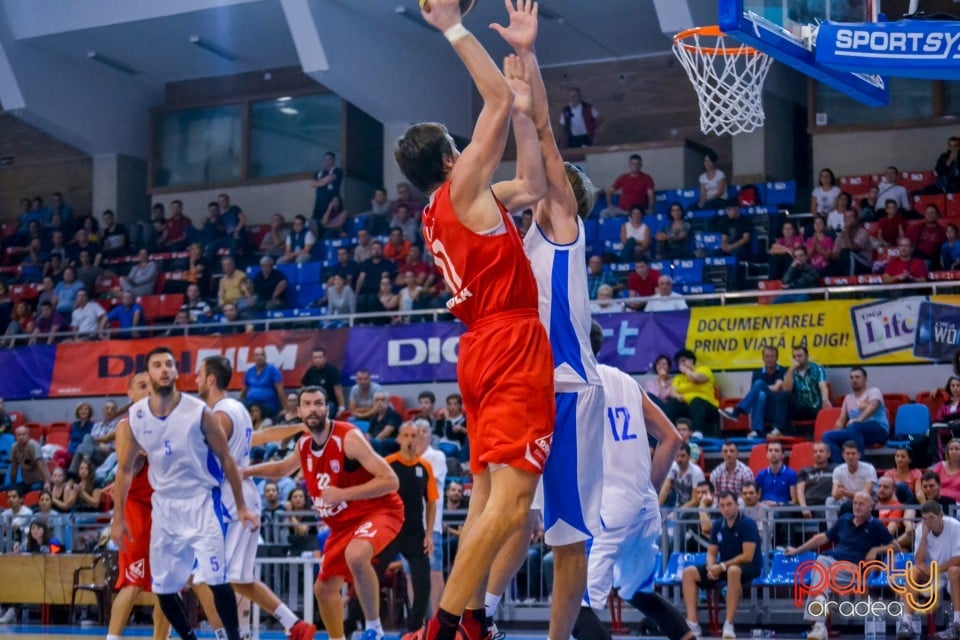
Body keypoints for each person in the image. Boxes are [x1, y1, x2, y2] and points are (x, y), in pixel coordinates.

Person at [395, 5, 559, 640]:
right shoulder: (462, 185)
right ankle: (443, 627)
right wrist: (456, 30)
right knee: (512, 504)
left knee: (494, 502)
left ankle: (466, 622)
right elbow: (490, 94)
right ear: (448, 160)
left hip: (482, 346)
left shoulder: (453, 206)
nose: (468, 150)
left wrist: (523, 114)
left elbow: (536, 183)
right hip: (509, 338)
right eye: (459, 148)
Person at [110, 347, 257, 640]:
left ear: (177, 373)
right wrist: (117, 517)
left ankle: (234, 637)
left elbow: (227, 459)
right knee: (162, 589)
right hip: (163, 507)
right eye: (157, 365)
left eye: (169, 364)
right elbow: (124, 470)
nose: (164, 370)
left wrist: (240, 506)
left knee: (216, 581)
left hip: (201, 502)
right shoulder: (135, 417)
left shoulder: (198, 412)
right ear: (149, 373)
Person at [246, 386, 403, 640]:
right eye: (307, 404)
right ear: (298, 411)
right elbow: (284, 468)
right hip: (343, 524)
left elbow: (390, 480)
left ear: (327, 408)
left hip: (379, 510)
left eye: (318, 403)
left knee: (356, 555)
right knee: (324, 589)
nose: (313, 409)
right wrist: (247, 472)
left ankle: (375, 629)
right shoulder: (305, 443)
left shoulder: (348, 437)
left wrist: (343, 494)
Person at [571, 323, 690, 640]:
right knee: (636, 590)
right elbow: (672, 438)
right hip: (644, 505)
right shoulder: (625, 381)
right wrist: (645, 489)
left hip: (609, 508)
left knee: (572, 608)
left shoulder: (573, 384)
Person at [194, 356, 316, 640]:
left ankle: (229, 635)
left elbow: (204, 454)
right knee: (237, 577)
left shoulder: (219, 415)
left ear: (211, 379)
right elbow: (260, 438)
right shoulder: (238, 410)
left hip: (231, 499)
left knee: (204, 577)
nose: (195, 380)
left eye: (199, 374)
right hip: (241, 496)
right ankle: (289, 626)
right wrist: (295, 428)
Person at [105, 372, 172, 640]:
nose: (148, 390)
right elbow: (128, 469)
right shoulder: (127, 426)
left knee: (167, 586)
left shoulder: (169, 424)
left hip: (165, 509)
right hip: (136, 509)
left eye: (151, 386)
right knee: (132, 584)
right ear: (130, 394)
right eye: (141, 386)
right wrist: (117, 519)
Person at [786, 491, 896, 640]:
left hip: (854, 569)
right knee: (822, 563)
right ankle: (819, 624)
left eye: (861, 504)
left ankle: (818, 623)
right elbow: (822, 537)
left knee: (820, 571)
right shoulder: (844, 519)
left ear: (871, 507)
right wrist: (797, 550)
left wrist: (876, 549)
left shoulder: (876, 525)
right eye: (855, 503)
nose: (857, 506)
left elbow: (895, 546)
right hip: (833, 564)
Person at [382, 423, 440, 633]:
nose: (409, 439)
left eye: (413, 435)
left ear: (419, 438)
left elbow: (432, 502)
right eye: (405, 435)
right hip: (390, 531)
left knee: (423, 582)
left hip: (415, 532)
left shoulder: (424, 467)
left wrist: (429, 534)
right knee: (371, 573)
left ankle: (414, 628)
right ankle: (356, 623)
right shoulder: (388, 464)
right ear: (398, 438)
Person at [680, 491, 761, 639]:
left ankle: (728, 625)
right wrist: (711, 566)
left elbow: (747, 556)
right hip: (725, 565)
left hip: (749, 566)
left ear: (737, 505)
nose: (726, 509)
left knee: (733, 571)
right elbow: (711, 552)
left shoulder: (748, 523)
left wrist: (722, 566)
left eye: (729, 504)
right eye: (722, 505)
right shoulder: (717, 525)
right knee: (689, 572)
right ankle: (692, 624)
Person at [896, 501, 960, 640]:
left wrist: (933, 570)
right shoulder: (922, 530)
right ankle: (906, 623)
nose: (928, 522)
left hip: (952, 570)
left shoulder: (955, 526)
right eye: (924, 518)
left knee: (954, 570)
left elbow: (957, 559)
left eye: (931, 517)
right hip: (935, 572)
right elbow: (919, 560)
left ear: (941, 515)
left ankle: (957, 624)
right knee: (912, 571)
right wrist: (924, 537)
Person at [719, 346, 790, 438]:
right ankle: (757, 430)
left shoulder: (783, 371)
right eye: (767, 356)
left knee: (759, 384)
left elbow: (777, 388)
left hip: (777, 408)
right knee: (760, 394)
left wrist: (762, 386)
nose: (769, 359)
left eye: (772, 356)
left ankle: (737, 411)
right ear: (763, 358)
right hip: (762, 407)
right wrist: (763, 388)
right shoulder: (757, 373)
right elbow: (754, 394)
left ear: (777, 358)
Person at [822, 367, 889, 462]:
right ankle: (841, 467)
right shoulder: (848, 398)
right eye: (851, 377)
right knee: (827, 436)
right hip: (855, 433)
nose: (854, 380)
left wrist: (858, 420)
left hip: (878, 430)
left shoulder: (873, 391)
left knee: (854, 427)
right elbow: (841, 422)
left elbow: (873, 406)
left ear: (865, 379)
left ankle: (859, 464)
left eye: (857, 377)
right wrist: (838, 433)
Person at [663, 349, 720, 437]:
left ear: (692, 360)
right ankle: (669, 433)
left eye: (684, 361)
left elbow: (697, 379)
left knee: (696, 401)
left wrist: (687, 371)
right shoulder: (678, 378)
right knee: (672, 403)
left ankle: (697, 433)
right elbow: (673, 392)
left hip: (706, 406)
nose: (681, 364)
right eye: (679, 363)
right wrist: (678, 396)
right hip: (686, 405)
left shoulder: (704, 370)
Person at [782, 346, 831, 424]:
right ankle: (780, 430)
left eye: (800, 356)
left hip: (814, 407)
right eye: (794, 357)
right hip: (798, 407)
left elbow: (822, 386)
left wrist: (825, 399)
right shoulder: (790, 372)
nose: (797, 359)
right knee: (783, 397)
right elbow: (786, 390)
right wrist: (791, 369)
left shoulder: (817, 368)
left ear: (807, 356)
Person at [795, 441, 836, 523]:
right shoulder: (805, 470)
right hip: (808, 504)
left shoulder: (836, 469)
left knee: (822, 512)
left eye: (821, 451)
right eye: (815, 452)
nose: (818, 454)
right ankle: (788, 536)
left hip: (825, 504)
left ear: (828, 454)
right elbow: (800, 491)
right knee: (785, 511)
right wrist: (804, 508)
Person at [301, 347, 346, 418]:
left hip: (328, 403)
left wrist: (341, 407)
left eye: (319, 357)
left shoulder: (332, 370)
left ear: (325, 358)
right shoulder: (310, 371)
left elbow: (338, 389)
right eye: (315, 358)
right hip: (312, 402)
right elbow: (303, 388)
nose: (317, 360)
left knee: (324, 412)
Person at [240, 348, 284, 418]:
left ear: (265, 357)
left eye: (262, 355)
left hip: (267, 404)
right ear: (253, 358)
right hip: (251, 403)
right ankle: (248, 429)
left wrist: (285, 409)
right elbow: (244, 390)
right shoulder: (249, 371)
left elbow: (280, 390)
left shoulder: (273, 370)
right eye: (257, 355)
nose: (259, 357)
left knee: (257, 412)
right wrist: (240, 404)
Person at [312, 151, 343, 224]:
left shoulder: (337, 171)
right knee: (316, 224)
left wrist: (319, 182)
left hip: (332, 203)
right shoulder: (319, 173)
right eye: (325, 159)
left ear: (333, 160)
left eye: (329, 159)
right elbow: (312, 184)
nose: (327, 161)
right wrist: (323, 182)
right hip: (319, 204)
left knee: (332, 223)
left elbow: (328, 179)